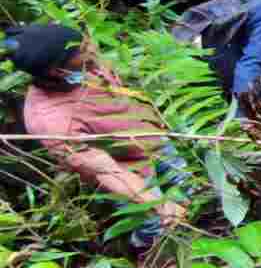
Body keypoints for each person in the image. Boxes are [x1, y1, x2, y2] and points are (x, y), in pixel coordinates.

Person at [4, 24, 191, 251]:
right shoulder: (51, 119)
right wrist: (156, 203)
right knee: (156, 224)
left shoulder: (87, 64)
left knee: (188, 185)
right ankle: (143, 253)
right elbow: (106, 171)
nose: (92, 48)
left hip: (152, 139)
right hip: (129, 171)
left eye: (86, 41)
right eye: (82, 49)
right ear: (57, 71)